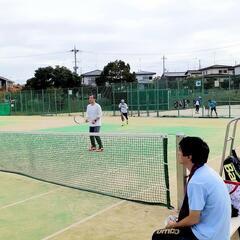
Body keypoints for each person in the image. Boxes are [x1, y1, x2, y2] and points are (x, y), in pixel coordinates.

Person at [152, 137, 231, 240]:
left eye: (180, 150)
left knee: (157, 236)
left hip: (207, 236)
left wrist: (174, 225)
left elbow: (194, 219)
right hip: (219, 232)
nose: (178, 153)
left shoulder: (196, 182)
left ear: (189, 156)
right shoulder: (207, 171)